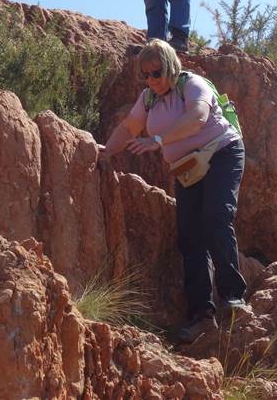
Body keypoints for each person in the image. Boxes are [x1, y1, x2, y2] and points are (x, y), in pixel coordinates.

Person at [99, 39, 250, 343]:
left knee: (216, 217)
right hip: (188, 167)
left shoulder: (193, 85)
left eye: (156, 73)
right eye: (146, 75)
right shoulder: (148, 98)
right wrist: (104, 152)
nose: (151, 80)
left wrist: (157, 139)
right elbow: (129, 127)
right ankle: (201, 315)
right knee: (189, 236)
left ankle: (234, 298)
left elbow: (197, 117)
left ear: (170, 67)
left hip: (222, 153)